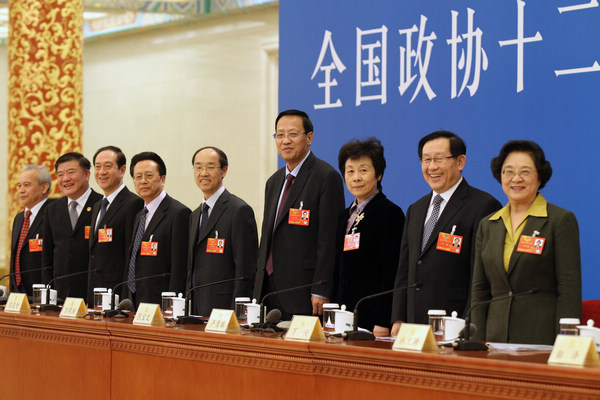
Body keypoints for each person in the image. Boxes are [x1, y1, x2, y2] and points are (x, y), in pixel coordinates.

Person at [471, 140, 581, 344]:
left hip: (541, 336)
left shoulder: (559, 220)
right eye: (508, 171)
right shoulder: (488, 224)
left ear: (540, 177)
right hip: (495, 338)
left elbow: (569, 288)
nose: (516, 179)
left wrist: (567, 341)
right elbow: (479, 289)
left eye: (525, 172)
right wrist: (477, 339)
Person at [391, 131, 501, 335]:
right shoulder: (415, 209)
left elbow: (480, 275)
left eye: (439, 159)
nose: (432, 167)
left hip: (455, 322)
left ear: (460, 162)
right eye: (426, 160)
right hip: (415, 325)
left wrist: (469, 324)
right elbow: (405, 269)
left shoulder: (483, 206)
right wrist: (398, 317)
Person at [253, 109, 345, 319]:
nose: (285, 140)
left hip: (304, 290)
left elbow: (329, 240)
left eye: (293, 134)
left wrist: (321, 288)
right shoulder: (273, 182)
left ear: (309, 137)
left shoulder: (326, 177)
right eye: (280, 135)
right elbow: (268, 236)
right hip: (268, 288)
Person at [334, 138, 405, 336]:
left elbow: (391, 273)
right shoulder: (344, 215)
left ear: (379, 174)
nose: (356, 177)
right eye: (350, 171)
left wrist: (383, 320)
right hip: (343, 315)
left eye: (363, 170)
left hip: (372, 319)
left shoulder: (390, 213)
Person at [187, 147, 257, 316]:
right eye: (198, 167)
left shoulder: (239, 210)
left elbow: (246, 269)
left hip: (225, 308)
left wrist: (239, 311)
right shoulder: (195, 215)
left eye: (210, 167)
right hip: (195, 307)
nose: (203, 173)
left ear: (224, 171)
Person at [126, 152, 190, 307]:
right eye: (138, 177)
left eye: (148, 175)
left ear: (163, 178)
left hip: (162, 302)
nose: (143, 181)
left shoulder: (178, 213)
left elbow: (179, 266)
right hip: (136, 299)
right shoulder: (139, 215)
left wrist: (173, 305)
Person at [87, 146, 144, 306]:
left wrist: (124, 295)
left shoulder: (133, 203)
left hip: (117, 294)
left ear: (122, 170)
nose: (101, 172)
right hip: (95, 292)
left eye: (108, 166)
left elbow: (130, 255)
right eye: (97, 167)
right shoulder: (98, 205)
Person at [42, 153, 103, 300]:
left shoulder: (101, 205)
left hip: (92, 294)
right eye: (60, 174)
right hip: (60, 295)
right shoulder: (52, 209)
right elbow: (47, 257)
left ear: (87, 174)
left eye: (71, 172)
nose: (65, 179)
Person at [10, 165, 52, 296]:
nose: (21, 190)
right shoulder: (19, 217)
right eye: (19, 186)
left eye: (27, 185)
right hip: (18, 291)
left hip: (42, 291)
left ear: (44, 187)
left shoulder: (53, 213)